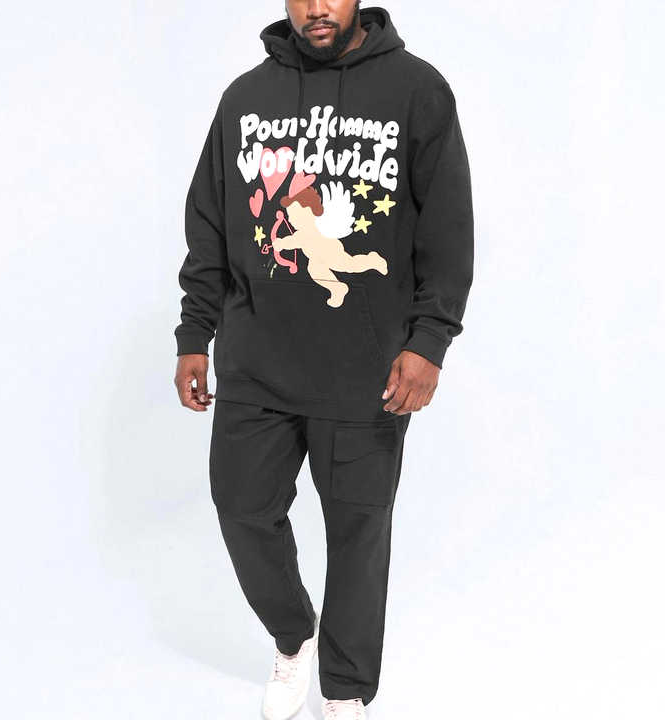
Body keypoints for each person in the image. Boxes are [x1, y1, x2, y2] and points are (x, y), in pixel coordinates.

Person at [173, 3, 473, 717]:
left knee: (358, 537)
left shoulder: (417, 90)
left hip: (367, 373)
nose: (316, 9)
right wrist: (193, 333)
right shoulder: (245, 98)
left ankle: (345, 692)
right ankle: (293, 635)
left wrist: (428, 341)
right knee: (240, 507)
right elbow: (209, 223)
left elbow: (448, 228)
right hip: (256, 365)